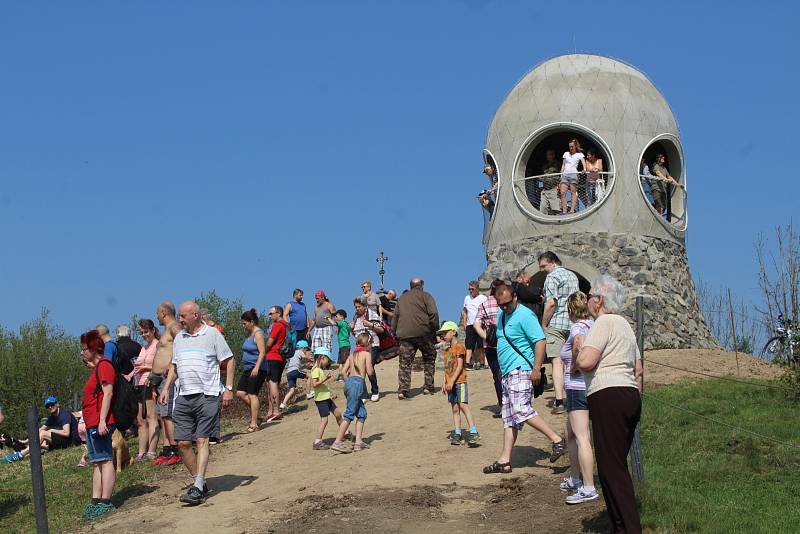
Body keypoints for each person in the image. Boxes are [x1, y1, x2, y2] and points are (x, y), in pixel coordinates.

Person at [577, 275, 643, 532]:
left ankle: (629, 527)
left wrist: (581, 347)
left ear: (600, 300)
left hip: (609, 394)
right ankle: (621, 526)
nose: (588, 301)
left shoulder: (603, 323)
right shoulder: (625, 326)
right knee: (612, 465)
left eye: (591, 296)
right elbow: (638, 369)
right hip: (628, 394)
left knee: (612, 469)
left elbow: (586, 362)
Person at [482, 284, 566, 475]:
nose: (503, 307)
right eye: (500, 304)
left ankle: (557, 440)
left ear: (515, 298)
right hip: (507, 373)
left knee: (521, 409)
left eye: (506, 303)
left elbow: (540, 340)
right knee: (509, 418)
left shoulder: (525, 315)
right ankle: (504, 460)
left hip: (521, 370)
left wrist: (536, 368)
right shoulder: (502, 315)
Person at [158, 301, 235, 506]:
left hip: (208, 394)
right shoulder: (180, 338)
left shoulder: (212, 335)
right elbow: (174, 365)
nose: (180, 320)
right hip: (183, 395)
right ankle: (199, 483)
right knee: (182, 443)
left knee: (201, 440)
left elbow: (229, 360)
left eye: (183, 316)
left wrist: (228, 389)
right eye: (180, 316)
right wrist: (166, 389)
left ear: (196, 315)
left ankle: (198, 486)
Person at [560, 292, 598, 504]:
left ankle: (588, 487)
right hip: (591, 386)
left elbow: (578, 345)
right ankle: (576, 478)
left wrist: (575, 365)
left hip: (576, 388)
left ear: (571, 310)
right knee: (571, 434)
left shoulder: (577, 327)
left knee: (582, 437)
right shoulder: (594, 325)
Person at [79, 329, 117, 519]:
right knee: (96, 462)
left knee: (105, 460)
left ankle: (106, 501)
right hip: (92, 422)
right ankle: (96, 500)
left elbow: (108, 393)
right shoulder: (97, 367)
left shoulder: (105, 365)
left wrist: (102, 420)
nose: (82, 352)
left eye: (85, 348)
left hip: (100, 422)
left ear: (94, 348)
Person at [539, 251, 579, 415]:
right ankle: (574, 396)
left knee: (557, 362)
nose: (542, 270)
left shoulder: (552, 277)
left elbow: (551, 303)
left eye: (543, 266)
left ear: (553, 262)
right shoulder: (573, 276)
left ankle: (559, 400)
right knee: (571, 361)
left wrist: (544, 323)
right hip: (572, 322)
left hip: (555, 324)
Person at [393, 277, 440, 399]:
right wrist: (434, 329)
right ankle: (428, 387)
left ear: (410, 286)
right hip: (423, 333)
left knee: (405, 363)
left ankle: (403, 390)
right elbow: (433, 313)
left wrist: (395, 333)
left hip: (405, 335)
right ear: (422, 285)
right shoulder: (426, 296)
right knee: (429, 358)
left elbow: (395, 317)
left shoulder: (402, 298)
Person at [331, 333, 375, 453]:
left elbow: (343, 372)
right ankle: (338, 441)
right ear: (367, 343)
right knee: (350, 414)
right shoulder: (366, 354)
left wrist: (349, 382)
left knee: (361, 414)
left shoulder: (352, 355)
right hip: (358, 383)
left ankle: (358, 442)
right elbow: (370, 372)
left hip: (349, 383)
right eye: (371, 343)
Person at [438, 321, 479, 447]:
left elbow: (460, 366)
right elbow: (447, 368)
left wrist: (451, 380)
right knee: (454, 408)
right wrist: (445, 381)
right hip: (450, 384)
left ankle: (473, 431)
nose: (443, 335)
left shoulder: (459, 347)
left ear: (454, 332)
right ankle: (457, 433)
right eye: (442, 333)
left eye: (445, 332)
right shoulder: (447, 350)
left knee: (463, 406)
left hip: (459, 382)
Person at [150, 301, 181, 466]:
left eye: (157, 313)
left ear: (163, 312)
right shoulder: (166, 330)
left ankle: (177, 450)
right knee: (163, 415)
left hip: (168, 379)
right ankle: (168, 449)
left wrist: (171, 363)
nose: (156, 316)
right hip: (159, 380)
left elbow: (182, 341)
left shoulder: (174, 327)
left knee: (168, 414)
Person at [5, 396, 82, 462]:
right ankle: (22, 448)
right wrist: (27, 440)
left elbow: (66, 433)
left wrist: (51, 430)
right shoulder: (52, 417)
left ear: (57, 404)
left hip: (72, 441)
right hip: (63, 441)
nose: (50, 407)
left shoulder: (64, 414)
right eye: (47, 406)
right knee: (41, 439)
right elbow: (40, 429)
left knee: (43, 434)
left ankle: (20, 455)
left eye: (51, 404)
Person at [473, 278, 505, 413]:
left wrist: (486, 337)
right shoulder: (504, 303)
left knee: (496, 375)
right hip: (506, 343)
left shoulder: (484, 305)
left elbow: (476, 324)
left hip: (491, 345)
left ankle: (501, 403)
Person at [236, 309, 267, 433]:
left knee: (252, 394)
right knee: (240, 393)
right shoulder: (249, 334)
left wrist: (257, 367)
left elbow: (262, 352)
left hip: (257, 368)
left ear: (252, 322)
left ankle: (254, 423)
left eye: (245, 323)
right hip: (248, 368)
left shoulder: (258, 334)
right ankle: (257, 416)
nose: (243, 325)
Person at [133, 319, 160, 462]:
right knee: (140, 419)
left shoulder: (158, 345)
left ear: (153, 330)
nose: (144, 335)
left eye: (146, 332)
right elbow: (137, 366)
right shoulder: (144, 348)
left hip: (151, 383)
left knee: (151, 417)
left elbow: (161, 366)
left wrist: (147, 369)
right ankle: (141, 452)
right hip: (139, 384)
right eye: (142, 332)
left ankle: (151, 451)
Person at [309, 347, 346, 450]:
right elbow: (315, 384)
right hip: (321, 400)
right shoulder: (316, 370)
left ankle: (345, 432)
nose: (328, 363)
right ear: (322, 357)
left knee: (338, 414)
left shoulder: (319, 370)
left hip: (326, 398)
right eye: (327, 360)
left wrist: (330, 393)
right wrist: (326, 379)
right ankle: (317, 441)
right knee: (324, 420)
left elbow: (321, 386)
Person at [351, 296, 384, 402]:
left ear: (365, 306)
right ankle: (364, 394)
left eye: (359, 306)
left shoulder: (372, 314)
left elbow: (381, 329)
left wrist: (370, 324)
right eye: (355, 307)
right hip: (360, 347)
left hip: (372, 345)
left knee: (369, 366)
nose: (357, 309)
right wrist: (351, 330)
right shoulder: (355, 317)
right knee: (360, 369)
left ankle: (375, 391)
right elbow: (356, 334)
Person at [263, 305, 290, 423]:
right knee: (273, 383)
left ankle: (275, 411)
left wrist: (261, 351)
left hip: (273, 356)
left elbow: (269, 342)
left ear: (278, 313)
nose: (269, 316)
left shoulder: (277, 325)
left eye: (271, 313)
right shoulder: (287, 325)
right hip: (282, 358)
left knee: (272, 383)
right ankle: (270, 411)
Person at [462, 281, 488, 370]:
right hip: (470, 324)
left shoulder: (483, 298)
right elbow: (465, 311)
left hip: (480, 324)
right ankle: (468, 363)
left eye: (472, 289)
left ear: (477, 289)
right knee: (469, 345)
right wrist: (464, 323)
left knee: (481, 345)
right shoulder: (466, 298)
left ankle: (482, 363)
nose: (470, 291)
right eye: (469, 289)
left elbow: (486, 310)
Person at [281, 340, 312, 409]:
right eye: (306, 349)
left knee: (292, 390)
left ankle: (283, 403)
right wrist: (310, 359)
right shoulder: (299, 351)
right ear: (302, 348)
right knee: (309, 376)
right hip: (295, 370)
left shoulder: (292, 353)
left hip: (288, 373)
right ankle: (309, 393)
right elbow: (305, 358)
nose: (306, 351)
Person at [651, 153, 680, 222]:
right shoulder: (655, 165)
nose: (663, 158)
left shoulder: (664, 168)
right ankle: (658, 220)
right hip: (656, 188)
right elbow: (658, 173)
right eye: (662, 158)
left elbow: (669, 177)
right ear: (658, 159)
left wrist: (678, 185)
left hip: (663, 189)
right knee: (659, 204)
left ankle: (661, 219)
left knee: (664, 207)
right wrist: (665, 179)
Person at [560, 138, 585, 214]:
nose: (570, 148)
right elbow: (563, 165)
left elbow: (584, 163)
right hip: (565, 175)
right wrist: (561, 174)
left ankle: (571, 210)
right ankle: (564, 211)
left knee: (573, 192)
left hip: (573, 174)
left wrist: (584, 169)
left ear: (575, 146)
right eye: (569, 146)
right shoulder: (566, 153)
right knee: (562, 192)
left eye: (572, 146)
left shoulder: (579, 154)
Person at [539, 149, 562, 215]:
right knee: (543, 210)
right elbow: (542, 176)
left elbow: (562, 175)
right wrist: (541, 181)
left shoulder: (558, 164)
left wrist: (560, 184)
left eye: (550, 154)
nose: (548, 156)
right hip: (545, 190)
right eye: (547, 155)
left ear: (554, 155)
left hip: (554, 190)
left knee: (556, 210)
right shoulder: (544, 166)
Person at [334, 309, 351, 381]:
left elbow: (334, 323)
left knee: (344, 361)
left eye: (336, 316)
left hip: (344, 345)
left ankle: (346, 374)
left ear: (341, 317)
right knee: (341, 361)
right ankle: (341, 374)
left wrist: (328, 318)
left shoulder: (342, 323)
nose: (335, 318)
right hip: (343, 345)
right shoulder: (346, 324)